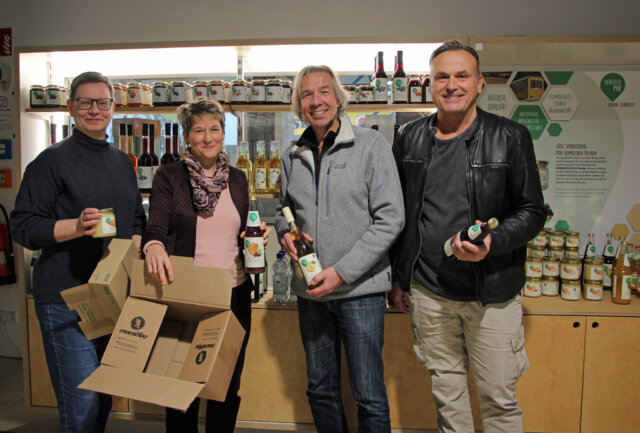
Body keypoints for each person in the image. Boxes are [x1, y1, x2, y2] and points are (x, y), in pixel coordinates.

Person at [390, 40, 546, 433]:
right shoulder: (408, 138)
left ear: (479, 84)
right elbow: (401, 216)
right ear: (430, 84)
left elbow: (531, 211)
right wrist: (399, 277)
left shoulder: (510, 136)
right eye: (442, 76)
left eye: (462, 76)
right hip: (429, 293)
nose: (452, 85)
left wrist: (492, 243)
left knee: (499, 400)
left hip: (492, 293)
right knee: (448, 398)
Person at [11, 71, 146, 433]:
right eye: (85, 103)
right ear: (71, 108)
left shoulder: (122, 162)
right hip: (65, 299)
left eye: (102, 103)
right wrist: (75, 226)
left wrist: (135, 243)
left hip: (111, 297)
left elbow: (135, 217)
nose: (94, 110)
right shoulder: (50, 161)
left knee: (103, 397)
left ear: (113, 108)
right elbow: (23, 225)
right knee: (81, 402)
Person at [274, 65, 405, 433]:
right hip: (311, 292)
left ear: (339, 97)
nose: (316, 101)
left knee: (369, 395)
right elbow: (284, 212)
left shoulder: (370, 145)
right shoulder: (291, 154)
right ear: (299, 105)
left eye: (324, 92)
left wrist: (343, 272)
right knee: (320, 390)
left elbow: (391, 218)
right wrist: (285, 231)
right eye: (306, 95)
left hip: (360, 292)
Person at [142, 97, 270, 433]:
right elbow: (155, 223)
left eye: (215, 129)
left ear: (223, 132)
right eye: (199, 130)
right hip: (187, 296)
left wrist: (256, 236)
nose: (208, 137)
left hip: (233, 295)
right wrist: (153, 245)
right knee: (181, 386)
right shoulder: (169, 176)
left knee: (226, 383)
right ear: (187, 136)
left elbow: (242, 230)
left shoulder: (239, 179)